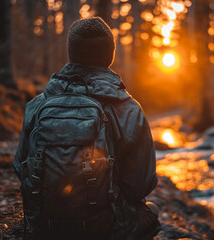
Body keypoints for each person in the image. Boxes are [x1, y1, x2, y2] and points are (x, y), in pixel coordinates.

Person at [13, 17, 160, 239]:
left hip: (43, 225)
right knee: (152, 213)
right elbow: (139, 186)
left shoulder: (37, 104)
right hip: (105, 228)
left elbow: (20, 167)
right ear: (109, 55)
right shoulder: (129, 109)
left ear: (71, 52)